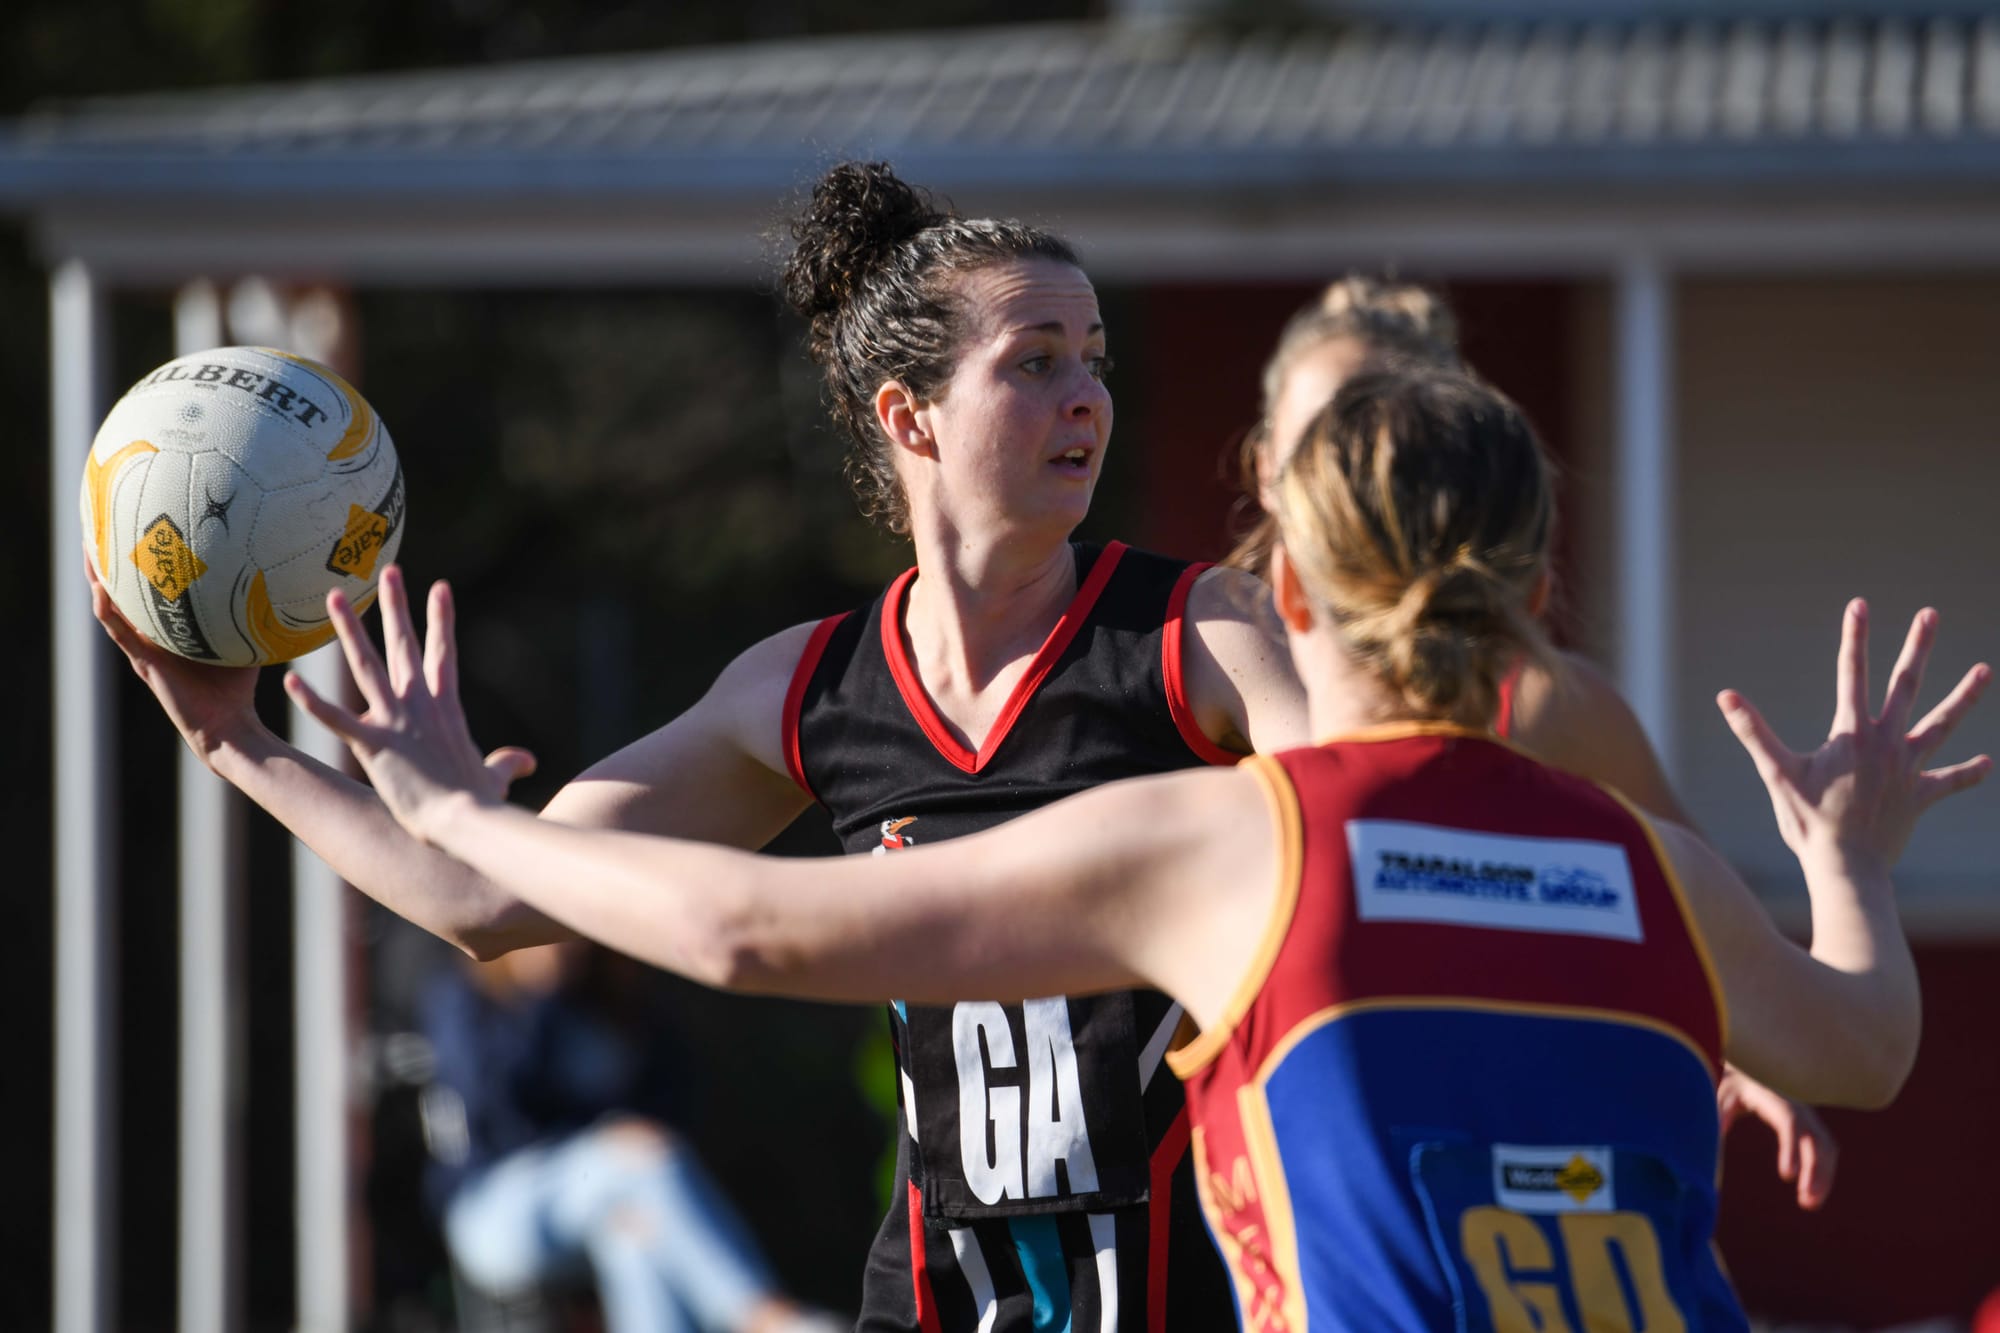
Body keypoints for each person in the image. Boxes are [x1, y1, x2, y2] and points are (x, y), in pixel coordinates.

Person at [290, 366, 1989, 1331]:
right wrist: (1848, 850)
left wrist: (451, 809)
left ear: (1293, 592)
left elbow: (746, 929)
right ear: (1541, 594)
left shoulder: (1244, 847)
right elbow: (1868, 1044)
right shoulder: (1650, 866)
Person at [92, 160, 1302, 1331]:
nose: (1086, 394)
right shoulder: (813, 688)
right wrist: (231, 738)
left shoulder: (1201, 637)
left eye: (1092, 359)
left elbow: (1381, 848)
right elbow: (478, 893)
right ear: (908, 415)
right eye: (1034, 363)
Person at [1238, 274, 1841, 1208]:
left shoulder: (1546, 700)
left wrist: (1756, 1047)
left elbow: (1710, 928)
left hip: (1508, 1179)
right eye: (1330, 436)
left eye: (1395, 436)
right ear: (1269, 458)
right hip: (1269, 1176)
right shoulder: (1198, 658)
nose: (1361, 469)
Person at [419, 941, 840, 1333]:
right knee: (640, 1165)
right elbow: (496, 1116)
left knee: (635, 1233)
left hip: (603, 1196)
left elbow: (669, 1108)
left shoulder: (609, 1005)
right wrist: (536, 995)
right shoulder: (471, 999)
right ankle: (768, 1318)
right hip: (494, 1210)